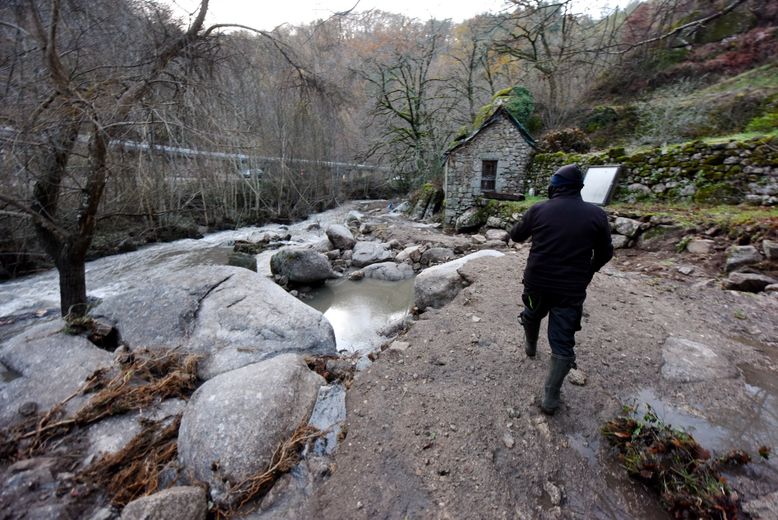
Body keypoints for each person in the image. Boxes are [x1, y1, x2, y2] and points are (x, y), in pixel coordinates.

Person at [510, 164, 613, 415]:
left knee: (531, 313)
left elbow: (516, 236)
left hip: (536, 284)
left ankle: (530, 345)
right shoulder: (596, 215)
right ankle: (550, 398)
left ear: (554, 186)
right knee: (563, 342)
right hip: (571, 290)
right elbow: (605, 252)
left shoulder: (539, 209)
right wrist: (588, 271)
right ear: (579, 188)